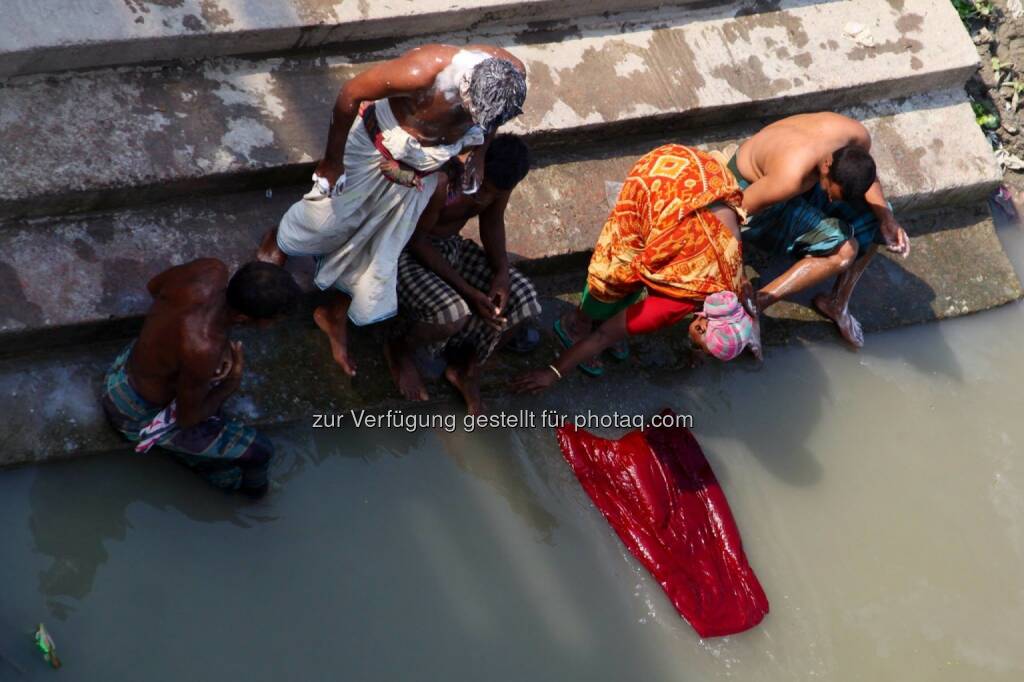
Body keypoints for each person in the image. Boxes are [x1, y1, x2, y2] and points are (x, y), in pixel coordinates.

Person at [256, 43, 528, 377]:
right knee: (328, 220)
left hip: (422, 170)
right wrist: (332, 162)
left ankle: (334, 315)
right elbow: (349, 94)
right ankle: (280, 241)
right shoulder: (424, 72)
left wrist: (478, 155)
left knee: (379, 246)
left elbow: (489, 122)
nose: (477, 123)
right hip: (375, 146)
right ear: (468, 87)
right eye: (475, 114)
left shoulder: (512, 78)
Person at [511, 144, 759, 393]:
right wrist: (552, 373)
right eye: (702, 346)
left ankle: (613, 316)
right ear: (701, 325)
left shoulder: (734, 290)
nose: (699, 349)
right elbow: (603, 337)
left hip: (698, 173)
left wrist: (707, 348)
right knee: (615, 272)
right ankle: (576, 324)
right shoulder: (676, 305)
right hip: (657, 182)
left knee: (647, 272)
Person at [101, 259, 301, 498]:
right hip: (134, 411)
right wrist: (230, 383)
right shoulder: (203, 349)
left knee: (208, 390)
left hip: (127, 365)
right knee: (260, 452)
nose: (276, 323)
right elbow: (187, 419)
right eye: (275, 319)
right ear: (242, 318)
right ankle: (255, 496)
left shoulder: (210, 270)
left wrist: (220, 343)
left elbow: (154, 286)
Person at [387, 134, 541, 413]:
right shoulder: (445, 181)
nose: (485, 196)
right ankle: (399, 351)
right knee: (453, 314)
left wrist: (502, 274)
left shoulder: (500, 182)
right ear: (477, 163)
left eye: (494, 192)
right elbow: (418, 241)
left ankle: (465, 367)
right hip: (407, 253)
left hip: (451, 249)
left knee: (524, 297)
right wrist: (468, 292)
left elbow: (492, 222)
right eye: (484, 187)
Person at [728, 112, 910, 347]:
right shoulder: (790, 177)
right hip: (754, 194)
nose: (832, 202)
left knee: (878, 216)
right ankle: (754, 305)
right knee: (844, 251)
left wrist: (887, 218)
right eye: (830, 195)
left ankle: (837, 303)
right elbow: (732, 216)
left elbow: (868, 176)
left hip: (805, 183)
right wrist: (740, 279)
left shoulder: (855, 136)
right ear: (826, 167)